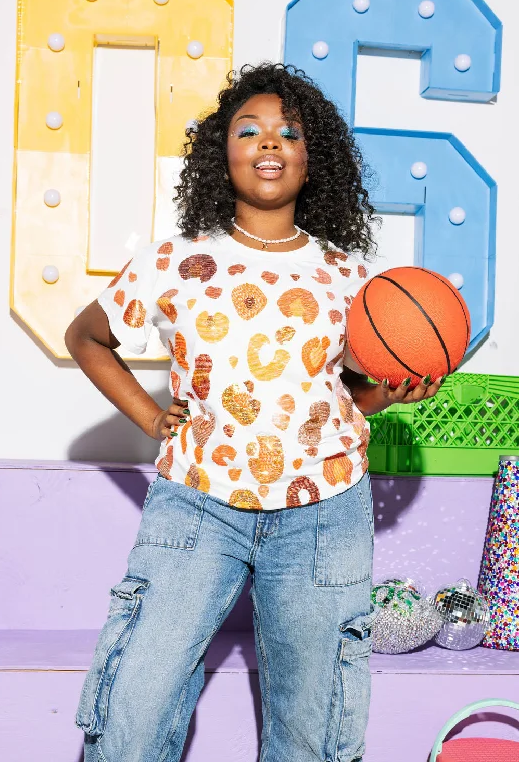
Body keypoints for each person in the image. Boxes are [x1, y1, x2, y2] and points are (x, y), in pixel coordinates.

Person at [66, 62, 443, 762]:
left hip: (323, 513)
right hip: (196, 505)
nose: (268, 142)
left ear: (310, 158)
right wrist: (151, 421)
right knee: (133, 714)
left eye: (287, 132)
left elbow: (330, 399)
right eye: (249, 129)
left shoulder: (353, 277)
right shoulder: (175, 262)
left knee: (310, 729)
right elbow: (86, 337)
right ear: (223, 151)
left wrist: (383, 394)